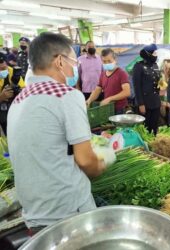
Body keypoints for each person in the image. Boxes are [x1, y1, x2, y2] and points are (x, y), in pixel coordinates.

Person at [7, 32, 107, 233]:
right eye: (73, 61)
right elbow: (86, 160)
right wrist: (102, 164)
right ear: (60, 61)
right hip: (67, 213)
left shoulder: (18, 101)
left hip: (35, 214)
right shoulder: (66, 95)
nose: (75, 69)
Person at [87, 48, 131, 114]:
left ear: (115, 60)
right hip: (108, 108)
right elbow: (97, 90)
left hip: (120, 109)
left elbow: (127, 92)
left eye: (109, 61)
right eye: (104, 61)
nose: (107, 63)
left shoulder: (121, 73)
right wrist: (89, 100)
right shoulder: (103, 74)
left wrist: (110, 98)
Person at [133, 44, 161, 134]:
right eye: (154, 53)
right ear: (148, 54)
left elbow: (158, 82)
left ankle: (153, 144)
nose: (156, 56)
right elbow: (137, 86)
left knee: (154, 127)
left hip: (156, 102)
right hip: (145, 103)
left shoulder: (155, 66)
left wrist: (162, 83)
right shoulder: (139, 66)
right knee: (145, 128)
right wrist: (141, 104)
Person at [0, 52, 25, 134]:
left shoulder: (12, 72)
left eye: (3, 68)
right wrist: (1, 97)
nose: (2, 70)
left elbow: (22, 88)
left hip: (11, 108)